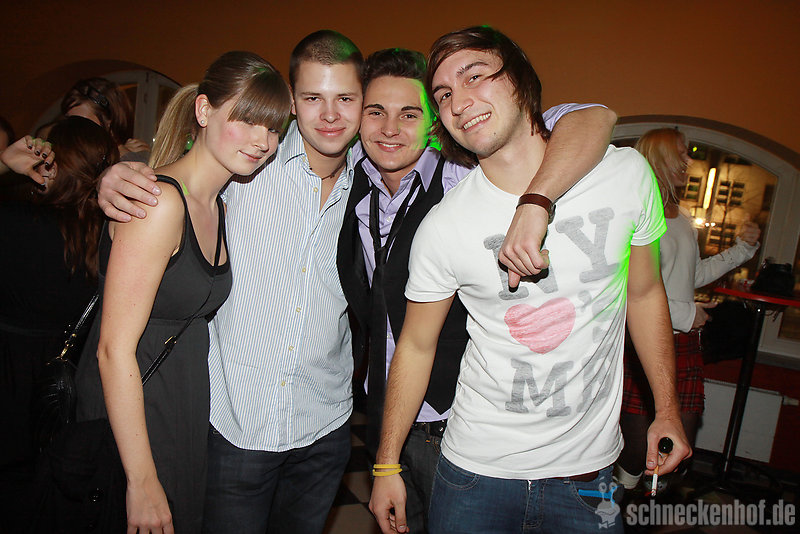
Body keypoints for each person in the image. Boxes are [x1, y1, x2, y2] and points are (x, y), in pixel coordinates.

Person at [97, 30, 611, 534]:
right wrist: (118, 175)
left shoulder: (387, 175)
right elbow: (189, 174)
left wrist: (537, 199)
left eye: (346, 99)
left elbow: (586, 118)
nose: (331, 115)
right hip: (238, 426)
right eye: (312, 99)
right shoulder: (254, 157)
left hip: (335, 427)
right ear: (291, 104)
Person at [368, 26, 692, 534]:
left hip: (590, 477)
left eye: (475, 76)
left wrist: (667, 409)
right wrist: (387, 464)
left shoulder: (626, 176)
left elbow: (646, 293)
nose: (459, 102)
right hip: (473, 474)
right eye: (444, 95)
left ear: (520, 81)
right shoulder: (444, 225)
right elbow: (414, 345)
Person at [340, 47, 616, 533]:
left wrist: (536, 201)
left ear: (435, 122)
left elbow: (588, 118)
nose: (390, 128)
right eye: (375, 112)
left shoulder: (467, 176)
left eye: (410, 114)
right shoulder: (348, 180)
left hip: (456, 421)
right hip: (385, 412)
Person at [73, 51, 290, 533]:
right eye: (246, 119)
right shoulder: (159, 203)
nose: (262, 141)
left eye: (274, 128)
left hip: (182, 403)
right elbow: (112, 350)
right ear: (204, 110)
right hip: (134, 410)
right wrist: (141, 479)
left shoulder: (219, 206)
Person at [614, 128, 760, 492]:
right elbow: (625, 285)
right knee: (635, 452)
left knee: (677, 448)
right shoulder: (633, 210)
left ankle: (646, 507)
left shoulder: (682, 216)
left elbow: (692, 276)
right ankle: (615, 508)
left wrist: (742, 250)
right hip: (643, 341)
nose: (689, 160)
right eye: (681, 153)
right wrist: (684, 313)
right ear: (658, 157)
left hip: (684, 343)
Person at [0, 116, 118, 533]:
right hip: (70, 392)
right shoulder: (110, 236)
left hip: (9, 379)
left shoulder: (12, 218)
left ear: (51, 164)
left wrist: (3, 166)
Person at [61, 77, 151, 161]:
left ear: (109, 120)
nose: (73, 131)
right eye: (69, 122)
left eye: (82, 124)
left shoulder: (128, 165)